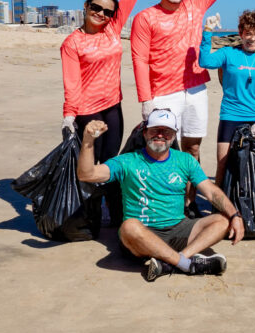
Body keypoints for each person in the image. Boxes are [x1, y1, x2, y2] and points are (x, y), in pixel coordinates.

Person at [130, 0, 244, 212]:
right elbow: (139, 59)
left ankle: (189, 202)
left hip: (195, 90)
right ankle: (164, 203)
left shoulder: (195, 6)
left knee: (193, 148)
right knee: (162, 150)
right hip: (162, 93)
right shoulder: (145, 17)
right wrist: (145, 99)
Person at [76, 110, 245, 282]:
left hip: (178, 229)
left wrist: (235, 215)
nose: (160, 135)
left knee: (223, 220)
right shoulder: (127, 161)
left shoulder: (185, 160)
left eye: (166, 131)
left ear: (174, 136)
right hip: (142, 234)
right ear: (145, 133)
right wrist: (88, 140)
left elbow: (211, 191)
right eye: (155, 130)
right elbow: (86, 174)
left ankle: (170, 262)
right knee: (128, 227)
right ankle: (186, 264)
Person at [60, 0, 149, 222]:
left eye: (108, 12)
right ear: (86, 6)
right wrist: (69, 115)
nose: (101, 14)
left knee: (111, 162)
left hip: (112, 107)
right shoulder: (72, 43)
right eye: (96, 8)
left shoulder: (112, 29)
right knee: (89, 162)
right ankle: (90, 215)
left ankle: (115, 212)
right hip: (87, 111)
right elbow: (71, 82)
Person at [198, 10, 255, 186]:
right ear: (241, 33)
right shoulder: (228, 53)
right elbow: (205, 62)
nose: (252, 38)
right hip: (231, 116)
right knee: (223, 164)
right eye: (248, 33)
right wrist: (207, 31)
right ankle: (219, 201)